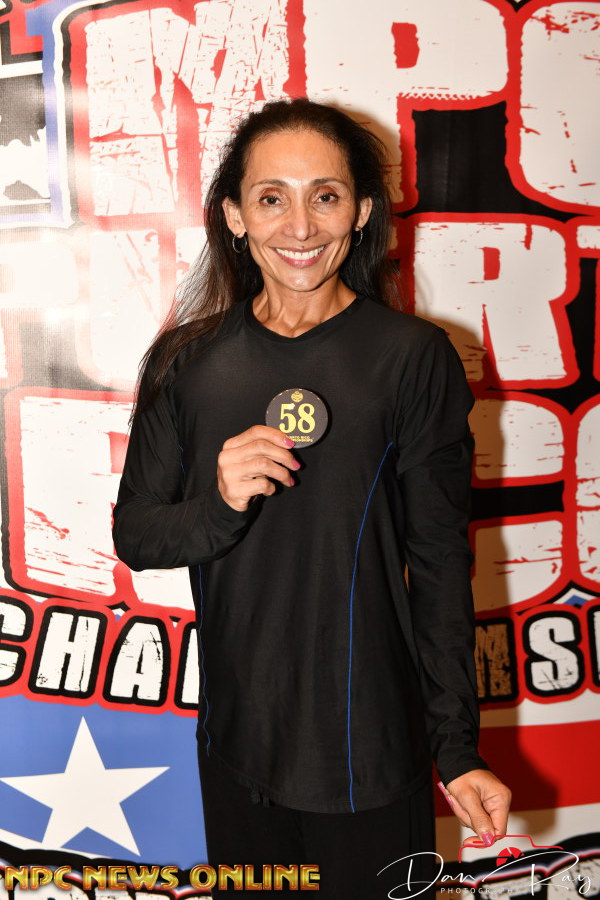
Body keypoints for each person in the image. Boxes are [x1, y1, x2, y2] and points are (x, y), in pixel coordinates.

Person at [112, 98, 511, 898]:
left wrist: (457, 748)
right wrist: (220, 504)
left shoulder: (412, 358)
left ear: (361, 212)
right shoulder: (186, 363)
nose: (300, 226)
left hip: (371, 753)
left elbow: (439, 566)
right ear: (234, 216)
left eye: (325, 196)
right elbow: (139, 537)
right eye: (272, 198)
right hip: (238, 751)